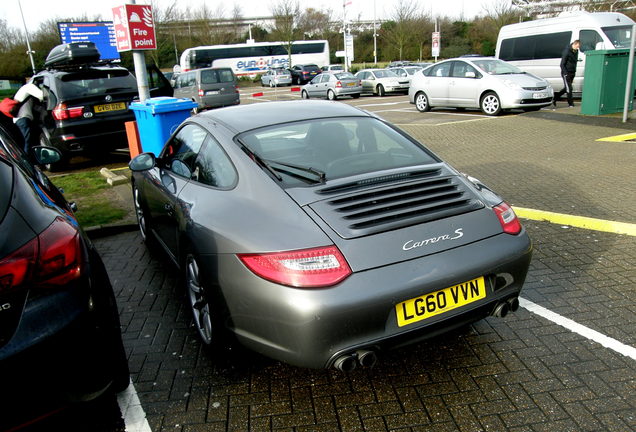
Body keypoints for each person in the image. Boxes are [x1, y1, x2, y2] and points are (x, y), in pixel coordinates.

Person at [13, 82, 44, 154]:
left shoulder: (23, 92)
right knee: (27, 142)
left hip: (21, 119)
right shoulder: (29, 87)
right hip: (23, 119)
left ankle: (30, 158)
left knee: (28, 141)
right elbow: (42, 95)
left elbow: (35, 107)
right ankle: (26, 161)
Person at [553, 40, 580, 108]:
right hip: (566, 73)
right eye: (577, 46)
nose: (578, 48)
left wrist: (574, 71)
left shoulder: (576, 51)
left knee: (567, 88)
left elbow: (574, 62)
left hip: (572, 72)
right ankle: (571, 104)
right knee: (569, 88)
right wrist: (566, 73)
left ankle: (555, 97)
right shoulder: (567, 51)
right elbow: (562, 64)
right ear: (574, 44)